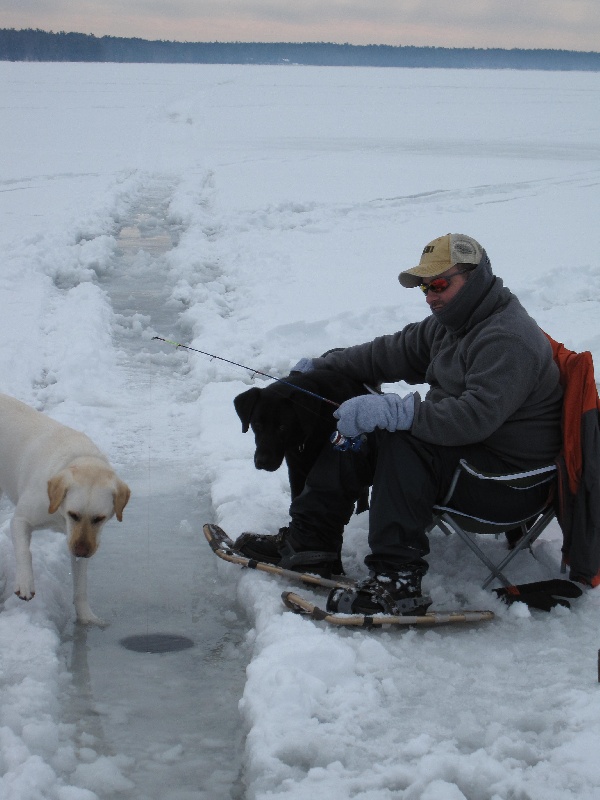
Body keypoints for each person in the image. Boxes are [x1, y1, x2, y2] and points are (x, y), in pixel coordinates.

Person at [234, 233, 563, 614]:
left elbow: (473, 418)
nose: (430, 295)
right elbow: (389, 352)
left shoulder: (507, 339)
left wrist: (397, 413)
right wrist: (325, 365)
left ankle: (397, 580)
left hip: (507, 482)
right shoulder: (452, 323)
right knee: (367, 427)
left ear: (475, 278)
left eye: (440, 284)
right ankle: (310, 542)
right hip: (469, 459)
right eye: (425, 286)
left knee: (402, 439)